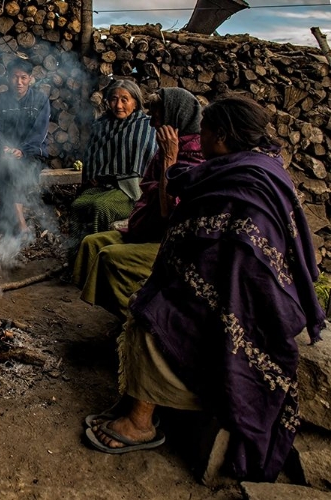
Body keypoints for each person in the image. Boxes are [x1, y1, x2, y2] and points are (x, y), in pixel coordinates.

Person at [84, 95, 325, 482]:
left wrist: (180, 278)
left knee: (151, 315)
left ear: (223, 136)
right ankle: (133, 400)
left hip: (244, 299)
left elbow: (235, 252)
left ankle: (140, 423)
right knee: (148, 295)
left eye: (208, 131)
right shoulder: (242, 166)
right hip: (223, 281)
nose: (202, 136)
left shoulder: (248, 177)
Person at [72, 88, 205, 320]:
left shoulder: (195, 156)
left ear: (175, 119)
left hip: (171, 242)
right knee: (92, 243)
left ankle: (142, 318)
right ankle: (119, 310)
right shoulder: (167, 146)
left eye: (157, 117)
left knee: (108, 257)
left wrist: (169, 159)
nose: (152, 124)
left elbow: (168, 212)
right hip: (146, 227)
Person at [69, 80, 157, 249]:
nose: (118, 105)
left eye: (125, 99)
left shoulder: (147, 126)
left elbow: (148, 159)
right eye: (114, 99)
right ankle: (76, 255)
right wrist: (93, 172)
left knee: (101, 207)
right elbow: (91, 154)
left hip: (132, 189)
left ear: (136, 102)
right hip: (104, 185)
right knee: (77, 205)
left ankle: (98, 254)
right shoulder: (102, 125)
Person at [0, 57, 50, 237]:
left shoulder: (40, 100)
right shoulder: (0, 100)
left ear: (30, 78)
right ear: (8, 78)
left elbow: (40, 132)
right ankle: (21, 224)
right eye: (15, 77)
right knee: (6, 166)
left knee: (17, 170)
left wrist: (22, 150)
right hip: (5, 153)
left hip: (32, 153)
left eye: (23, 77)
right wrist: (5, 148)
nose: (19, 82)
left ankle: (15, 223)